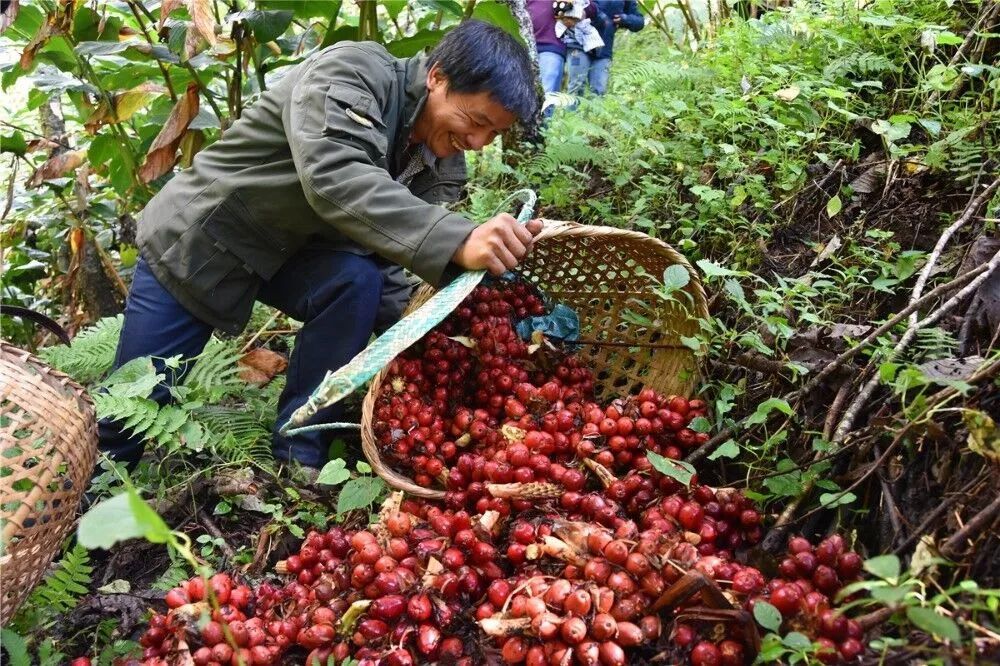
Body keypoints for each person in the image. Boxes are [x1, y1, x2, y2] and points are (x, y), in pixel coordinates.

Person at [98, 20, 542, 470]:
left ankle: (300, 451)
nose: (477, 142)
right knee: (132, 407)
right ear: (437, 77)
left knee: (356, 282)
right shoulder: (353, 73)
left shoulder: (439, 161)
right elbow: (335, 176)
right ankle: (74, 510)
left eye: (493, 134)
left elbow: (388, 248)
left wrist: (429, 327)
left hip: (289, 251)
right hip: (203, 238)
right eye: (476, 121)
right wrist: (458, 238)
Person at [565, 1, 644, 97]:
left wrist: (624, 19)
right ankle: (571, 112)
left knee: (598, 91)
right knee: (576, 86)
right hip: (578, 44)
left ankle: (594, 112)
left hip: (603, 49)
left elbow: (639, 21)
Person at [528, 0, 597, 95]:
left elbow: (592, 8)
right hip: (523, 42)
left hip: (552, 45)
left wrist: (580, 11)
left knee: (547, 91)